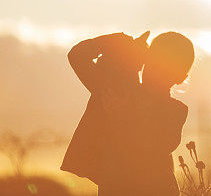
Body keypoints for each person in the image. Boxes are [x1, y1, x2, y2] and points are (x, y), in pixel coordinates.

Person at [62, 31, 194, 196]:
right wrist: (117, 42)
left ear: (180, 78)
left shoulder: (175, 111)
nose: (154, 72)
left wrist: (121, 114)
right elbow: (78, 55)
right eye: (152, 62)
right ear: (144, 58)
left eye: (164, 69)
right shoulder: (120, 89)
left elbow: (151, 145)